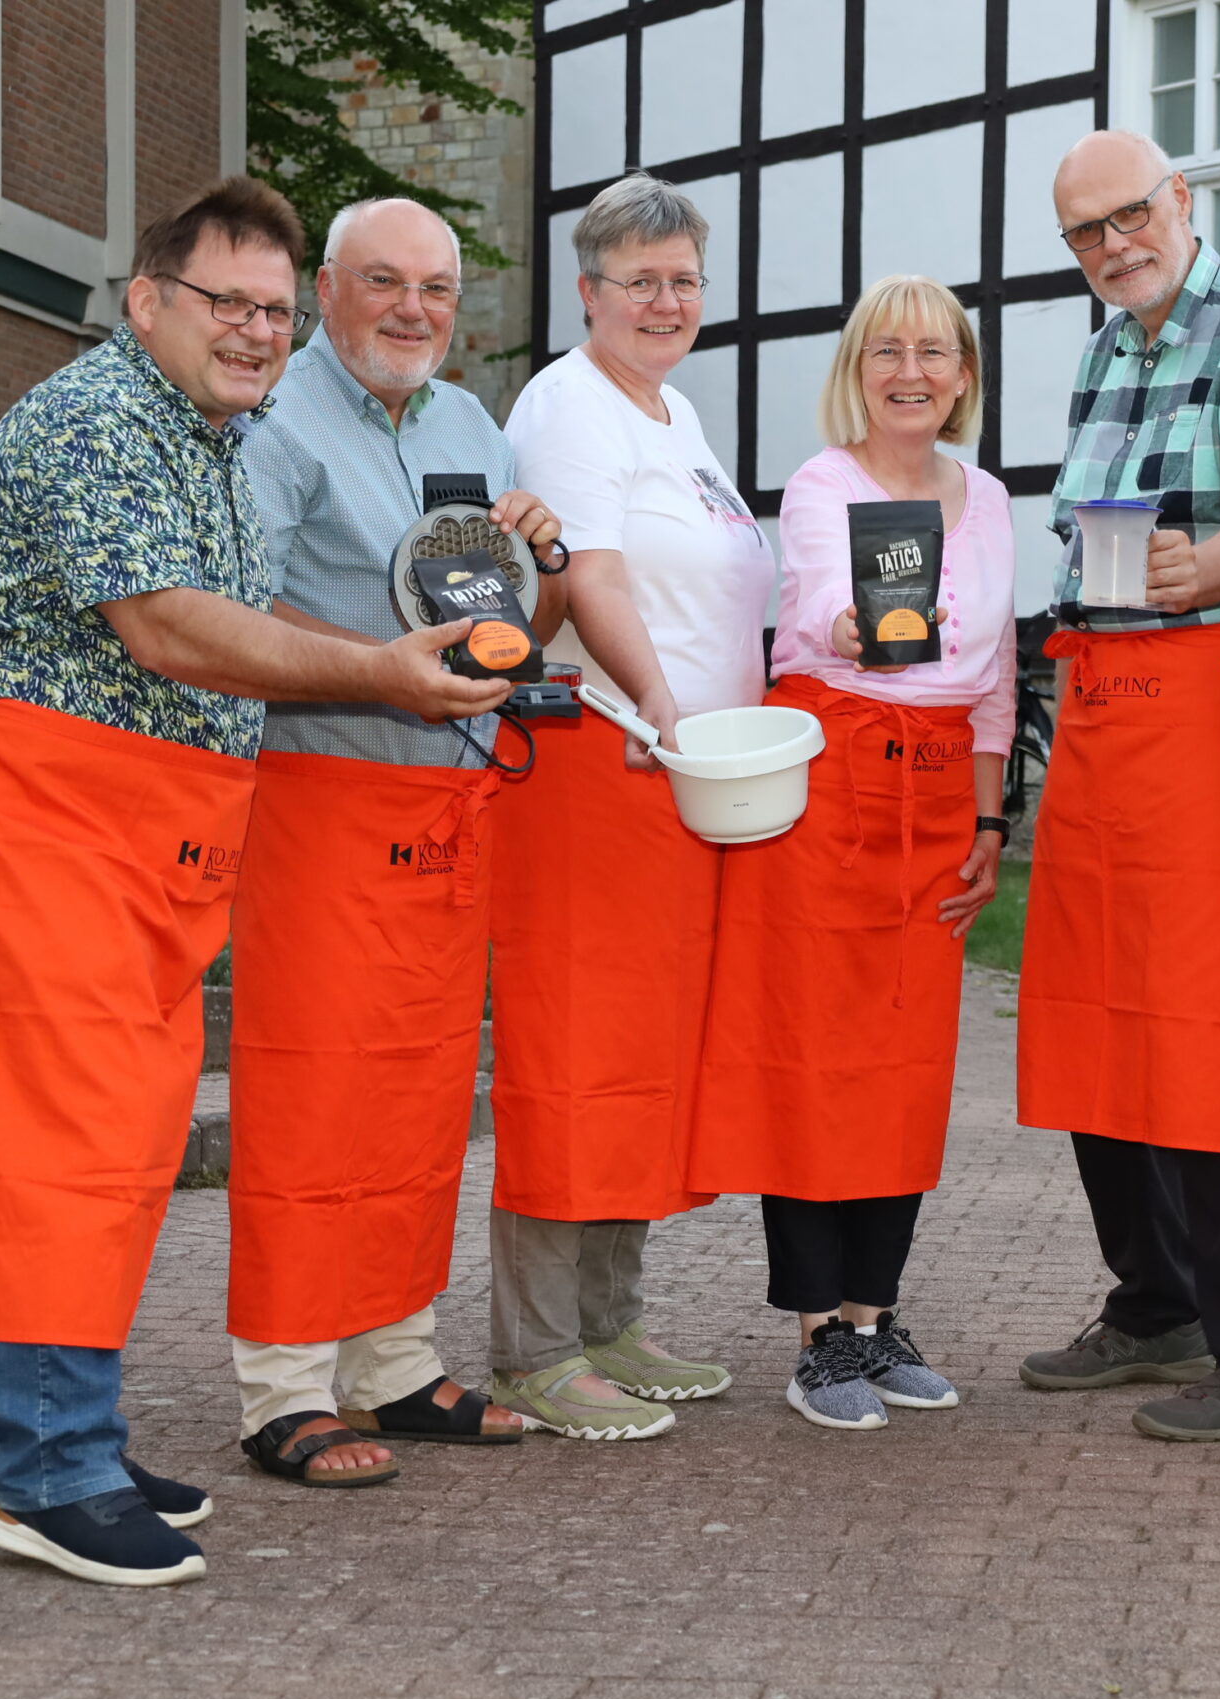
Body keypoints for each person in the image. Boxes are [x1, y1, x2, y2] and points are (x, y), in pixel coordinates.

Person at [0, 179, 508, 1585]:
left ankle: (54, 1430)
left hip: (116, 836)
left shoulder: (217, 435)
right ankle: (46, 1469)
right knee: (56, 1140)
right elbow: (166, 625)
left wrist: (415, 643)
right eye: (230, 303)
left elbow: (244, 611)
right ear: (147, 301)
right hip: (18, 824)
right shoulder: (98, 417)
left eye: (272, 311)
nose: (258, 331)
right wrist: (381, 674)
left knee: (115, 1140)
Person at [227, 197, 566, 1486]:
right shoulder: (272, 419)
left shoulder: (469, 423)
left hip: (451, 805)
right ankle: (284, 1385)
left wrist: (538, 553)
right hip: (321, 794)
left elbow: (501, 615)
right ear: (327, 290)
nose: (412, 309)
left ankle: (393, 1365)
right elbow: (238, 611)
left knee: (421, 1096)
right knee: (316, 1095)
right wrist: (385, 671)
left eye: (434, 288)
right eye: (383, 282)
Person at [1015, 130, 1220, 1442]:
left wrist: (1203, 573)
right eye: (1085, 232)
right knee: (1096, 1011)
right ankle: (1157, 1301)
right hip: (1101, 698)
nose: (1113, 246)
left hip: (1216, 698)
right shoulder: (1109, 344)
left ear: (1183, 200)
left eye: (1130, 216)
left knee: (1213, 1019)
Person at [687, 276, 1014, 1429]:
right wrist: (862, 624)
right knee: (813, 1059)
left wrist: (989, 823)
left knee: (906, 1064)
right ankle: (816, 1335)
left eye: (932, 352)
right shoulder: (827, 483)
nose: (909, 372)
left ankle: (876, 1320)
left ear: (963, 376)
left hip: (939, 793)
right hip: (832, 782)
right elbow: (824, 604)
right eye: (886, 351)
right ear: (856, 372)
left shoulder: (990, 497)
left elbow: (996, 678)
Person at [487, 174, 762, 1437]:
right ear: (587, 290)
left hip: (679, 781)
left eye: (684, 280)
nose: (666, 301)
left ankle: (609, 1320)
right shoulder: (568, 404)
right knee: (574, 1055)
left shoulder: (675, 410)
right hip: (603, 765)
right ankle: (536, 1349)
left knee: (644, 1056)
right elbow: (586, 576)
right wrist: (659, 704)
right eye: (640, 280)